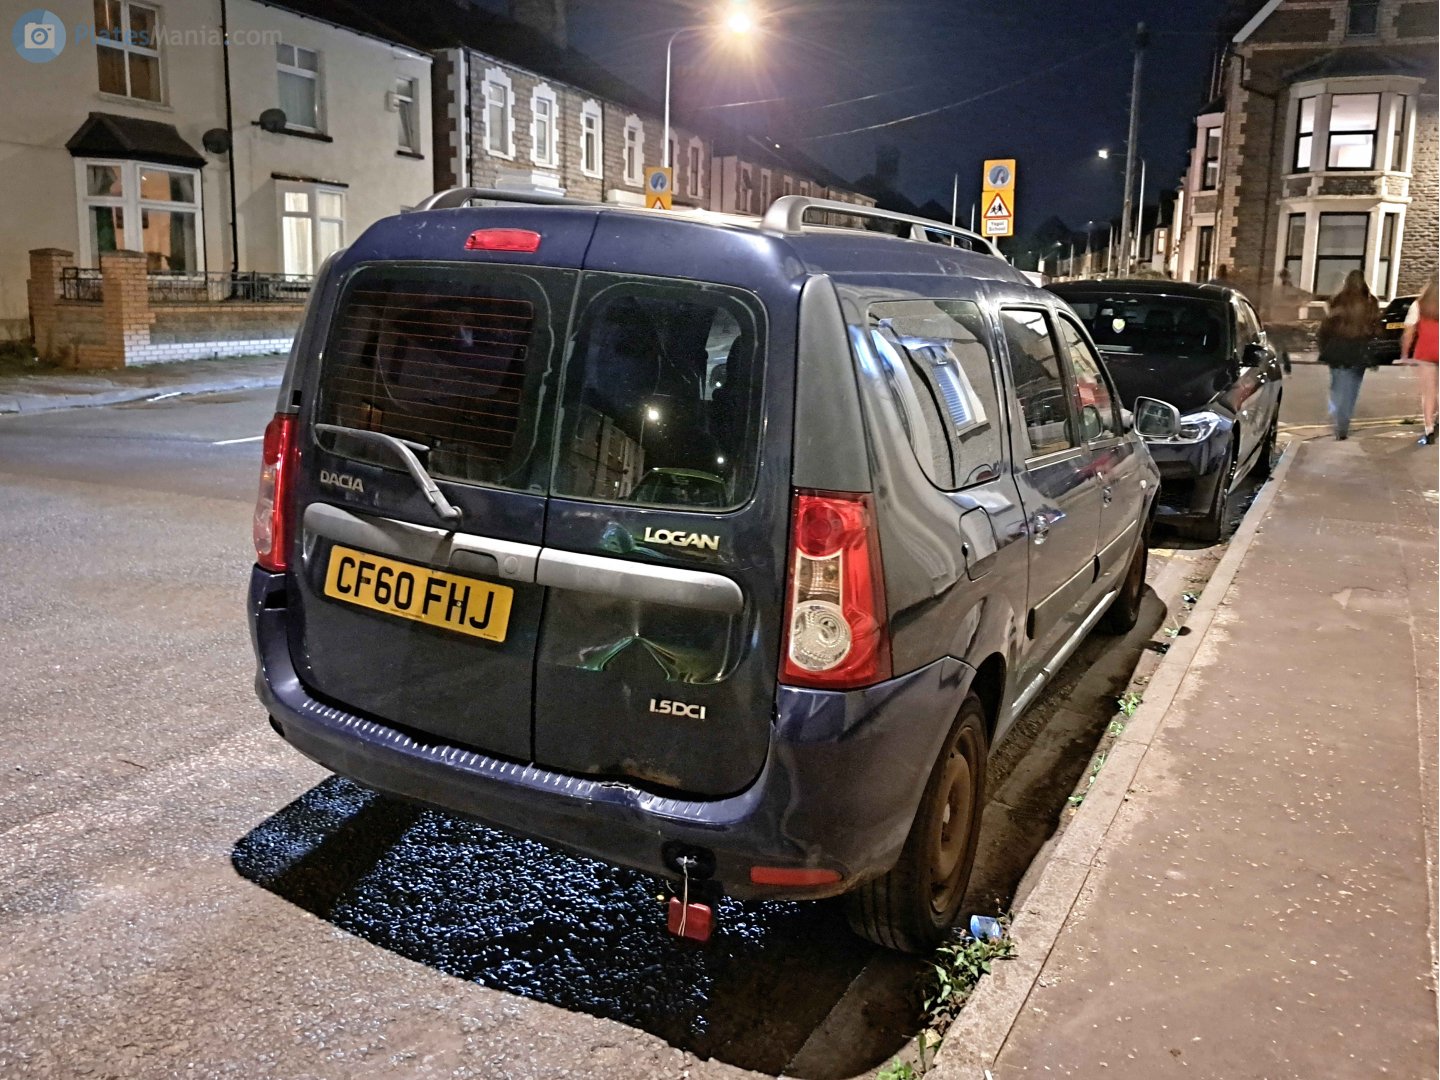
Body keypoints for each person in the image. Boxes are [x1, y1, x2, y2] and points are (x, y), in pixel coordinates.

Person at [1316, 269, 1380, 440]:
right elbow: (1376, 329)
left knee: (1337, 385)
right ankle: (1343, 423)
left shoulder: (1338, 300)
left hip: (1337, 348)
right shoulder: (1371, 302)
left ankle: (1338, 417)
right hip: (1359, 349)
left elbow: (1326, 327)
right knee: (1352, 389)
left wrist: (1323, 348)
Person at [1401, 280, 1439, 445]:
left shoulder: (1418, 305)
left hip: (1425, 353)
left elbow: (1408, 332)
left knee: (1428, 392)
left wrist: (1405, 354)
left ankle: (1429, 428)